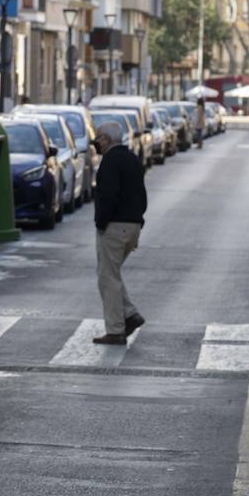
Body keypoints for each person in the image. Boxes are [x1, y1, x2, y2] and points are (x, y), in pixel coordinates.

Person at [91, 122, 148, 345]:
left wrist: (101, 222)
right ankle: (130, 315)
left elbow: (108, 196)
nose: (96, 142)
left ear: (106, 139)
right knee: (111, 274)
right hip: (132, 226)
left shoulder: (110, 161)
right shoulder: (132, 159)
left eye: (98, 138)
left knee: (107, 277)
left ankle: (115, 330)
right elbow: (141, 196)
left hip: (115, 226)